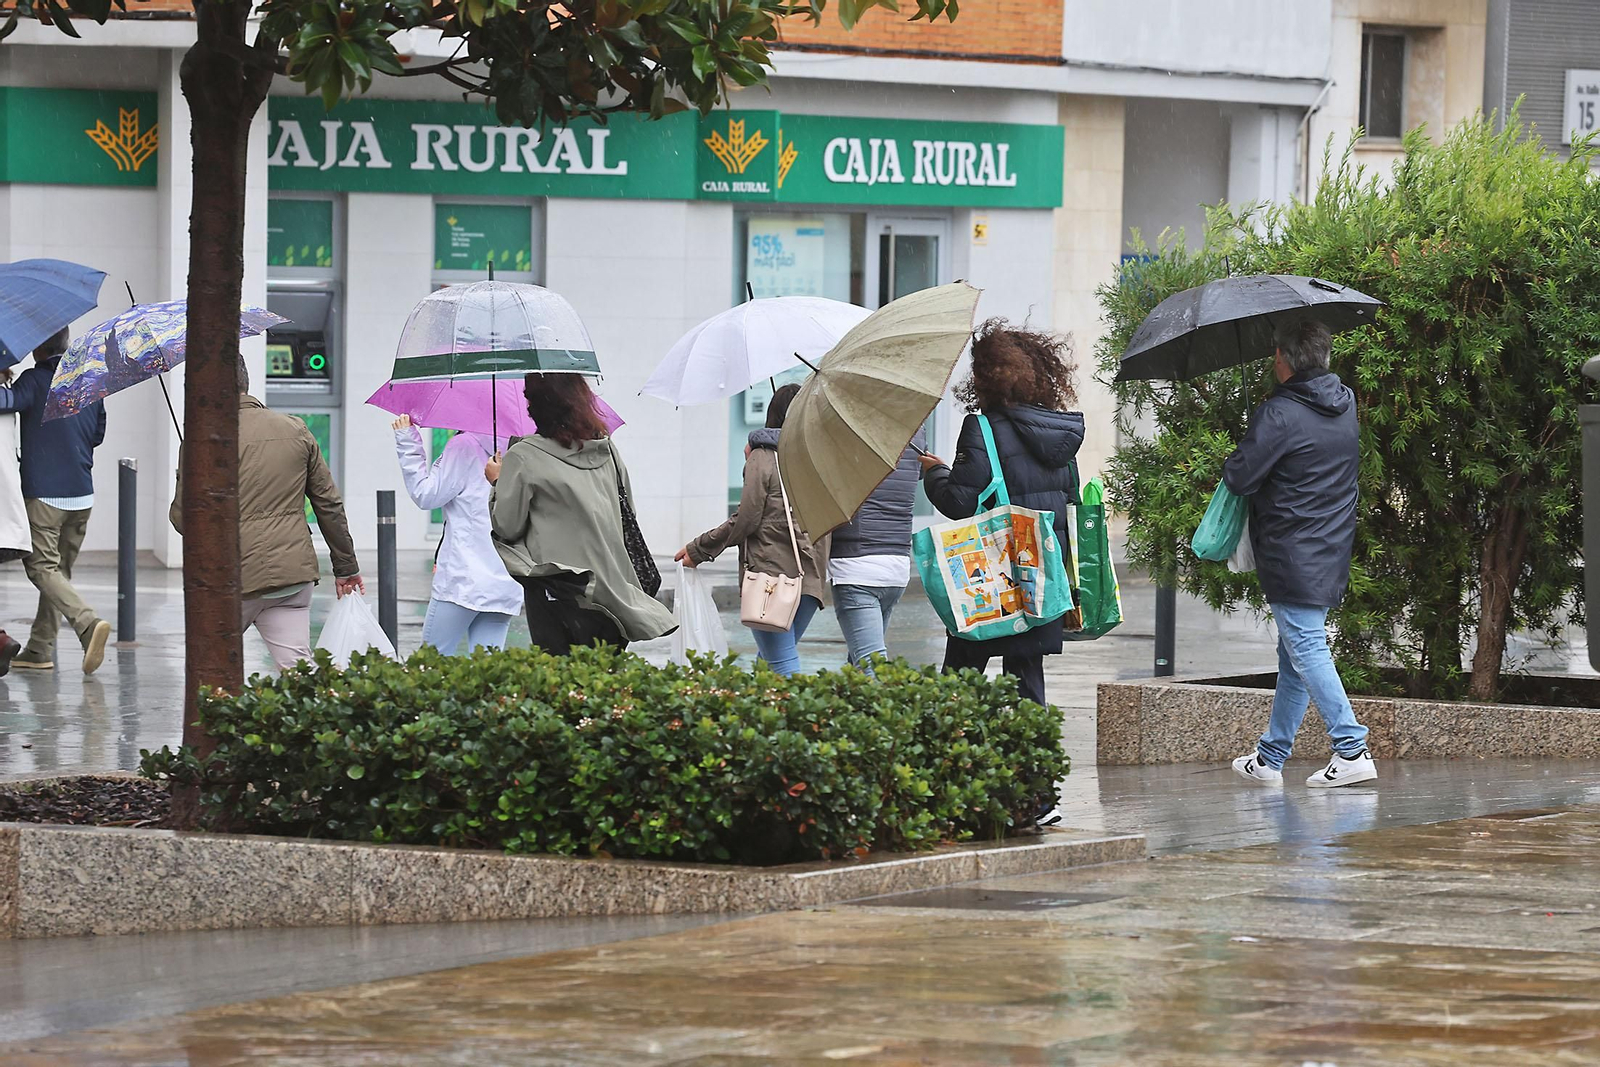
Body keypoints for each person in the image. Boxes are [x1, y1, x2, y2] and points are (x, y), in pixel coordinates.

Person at [1226, 320, 1373, 789]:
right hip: (1330, 545)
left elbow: (1240, 477)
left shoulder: (1280, 413)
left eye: (1276, 354)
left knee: (1306, 646)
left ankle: (1351, 749)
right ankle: (1271, 757)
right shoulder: (1345, 401)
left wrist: (1253, 432)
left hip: (1290, 549)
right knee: (1294, 652)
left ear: (1284, 360)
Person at [919, 321, 1084, 710]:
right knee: (1027, 676)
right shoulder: (1061, 434)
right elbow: (1071, 503)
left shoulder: (982, 428)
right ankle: (1033, 746)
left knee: (960, 674)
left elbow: (959, 503)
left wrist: (935, 473)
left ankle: (948, 742)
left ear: (986, 378)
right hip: (1042, 573)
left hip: (993, 575)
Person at [170, 360, 363, 671]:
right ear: (245, 383)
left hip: (232, 579)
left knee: (212, 673)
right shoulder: (295, 429)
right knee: (298, 671)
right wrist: (346, 568)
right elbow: (328, 504)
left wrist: (186, 470)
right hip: (291, 576)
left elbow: (184, 520)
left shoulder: (201, 441)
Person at [487, 373, 674, 654]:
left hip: (560, 588)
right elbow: (627, 513)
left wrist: (498, 482)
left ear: (538, 405)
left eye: (529, 399)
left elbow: (507, 526)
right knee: (605, 674)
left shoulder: (524, 456)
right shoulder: (606, 449)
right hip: (616, 590)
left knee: (560, 674)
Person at [676, 383, 830, 677]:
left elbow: (746, 517)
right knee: (770, 661)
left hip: (771, 579)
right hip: (810, 579)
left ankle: (796, 708)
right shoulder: (821, 459)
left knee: (781, 663)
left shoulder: (764, 457)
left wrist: (700, 549)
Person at [0, 328, 112, 674]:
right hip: (82, 494)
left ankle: (87, 623)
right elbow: (98, 433)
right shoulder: (89, 378)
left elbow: (5, 402)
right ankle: (39, 649)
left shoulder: (35, 380)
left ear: (37, 348)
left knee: (41, 569)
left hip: (45, 496)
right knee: (58, 573)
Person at [392, 415, 521, 654]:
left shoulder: (464, 446)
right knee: (489, 667)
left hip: (462, 579)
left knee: (433, 660)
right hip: (506, 580)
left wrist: (407, 441)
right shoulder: (521, 449)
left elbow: (426, 495)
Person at [829, 428, 925, 676]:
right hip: (896, 564)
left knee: (870, 668)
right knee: (859, 666)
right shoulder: (912, 430)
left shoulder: (848, 432)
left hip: (857, 567)